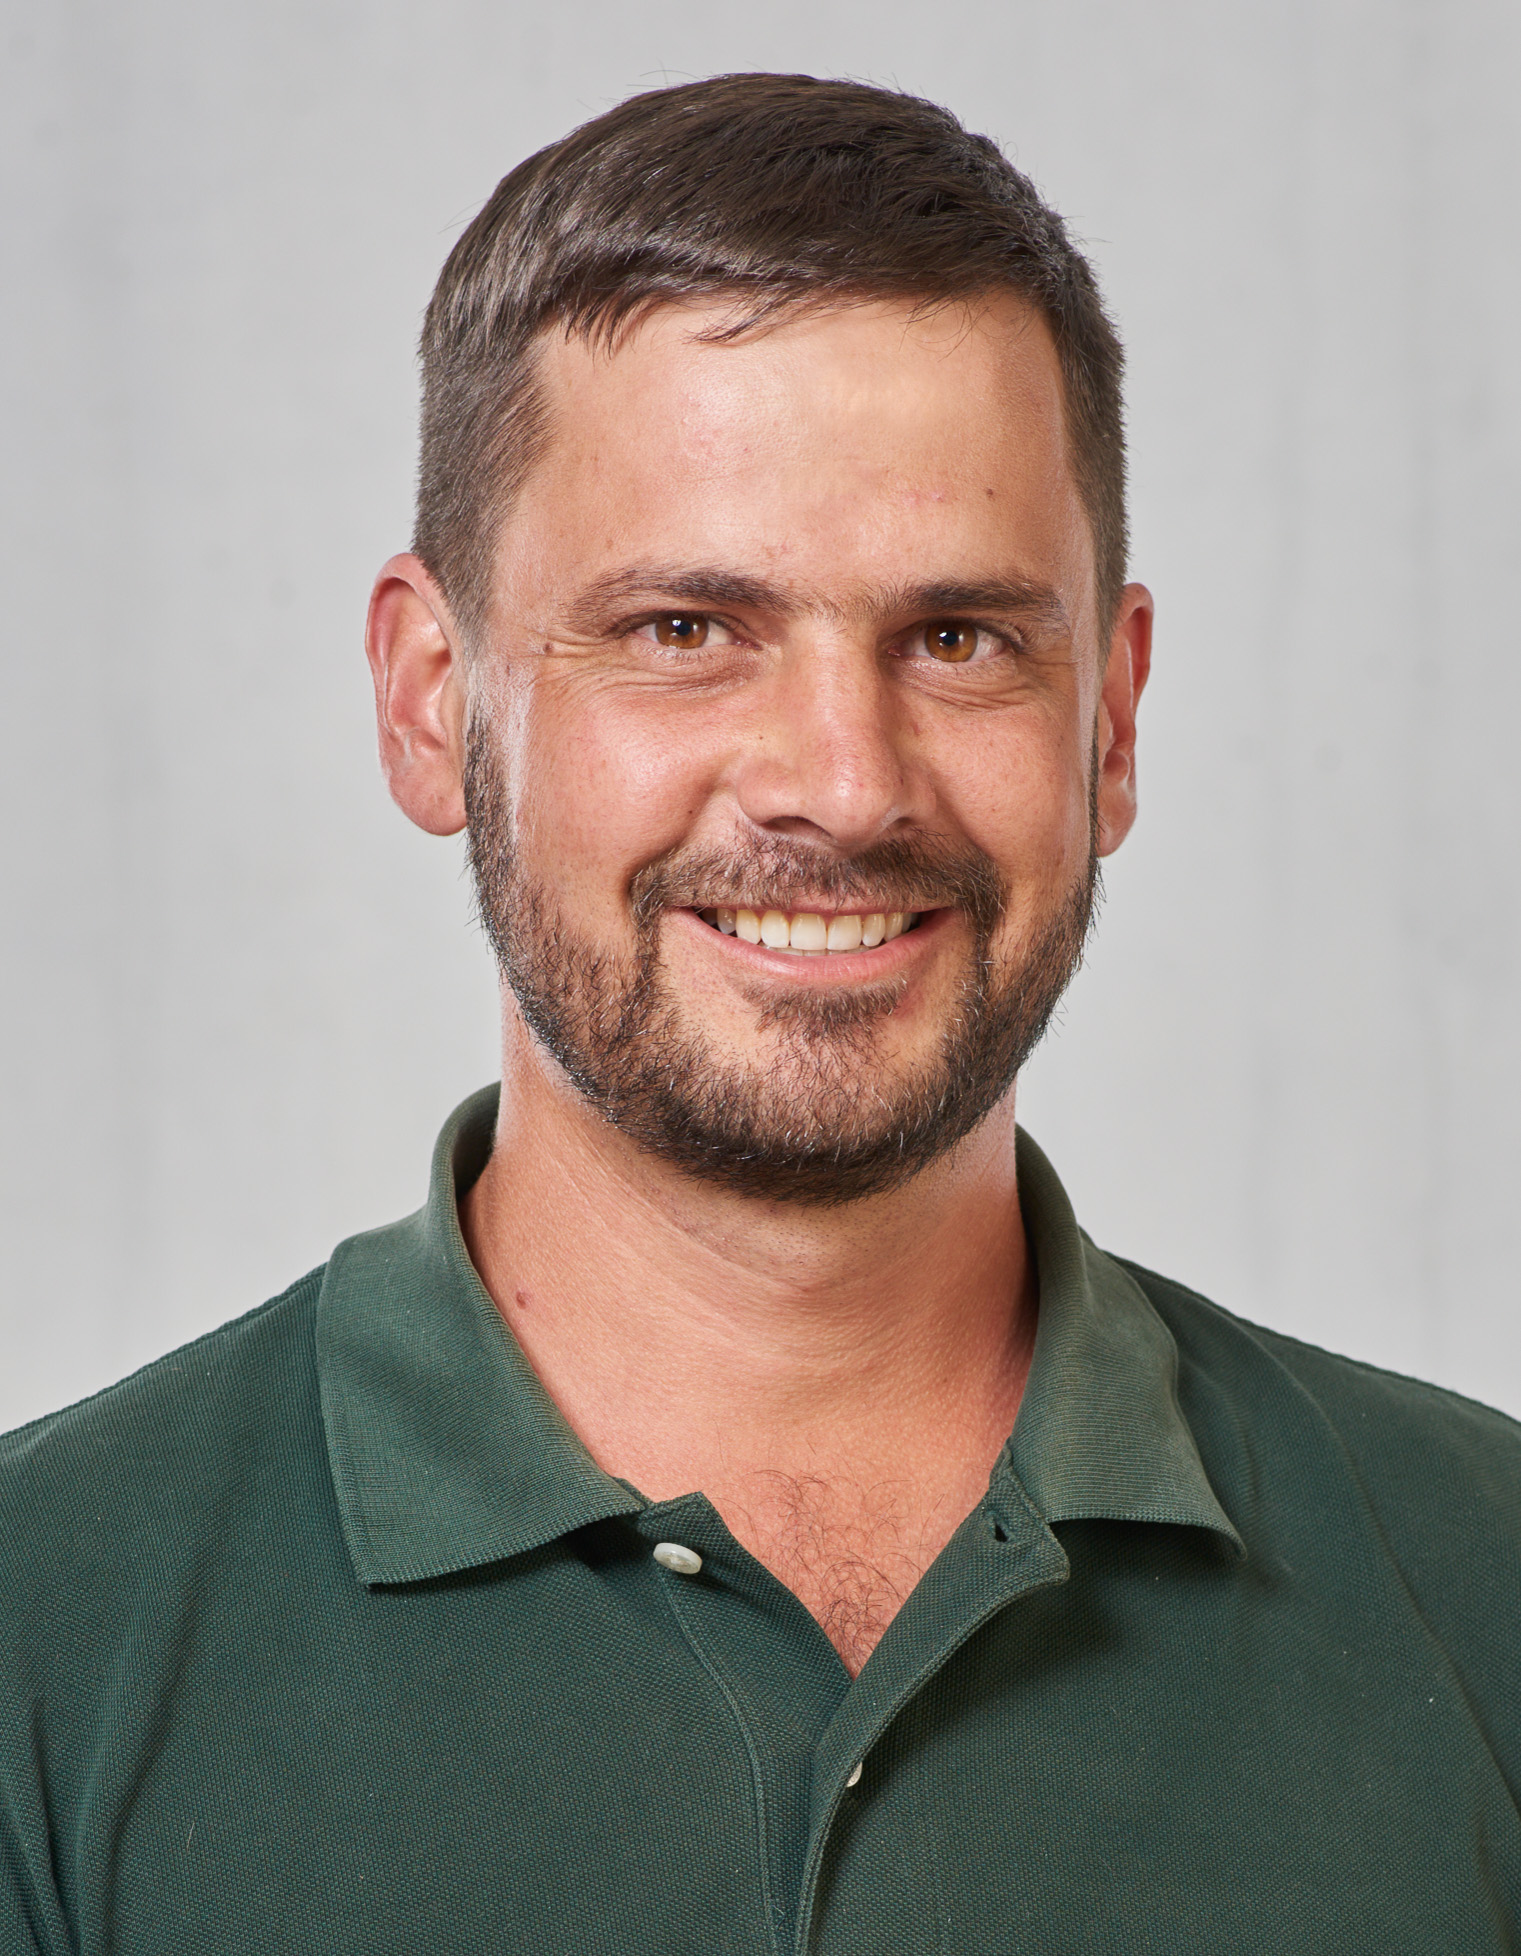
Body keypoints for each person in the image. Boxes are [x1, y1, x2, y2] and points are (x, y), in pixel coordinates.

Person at [2, 72, 1518, 1955]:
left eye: (957, 638)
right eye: (684, 630)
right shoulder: (41, 1635)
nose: (841, 783)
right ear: (428, 700)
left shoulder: (1485, 1588)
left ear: (1112, 720)